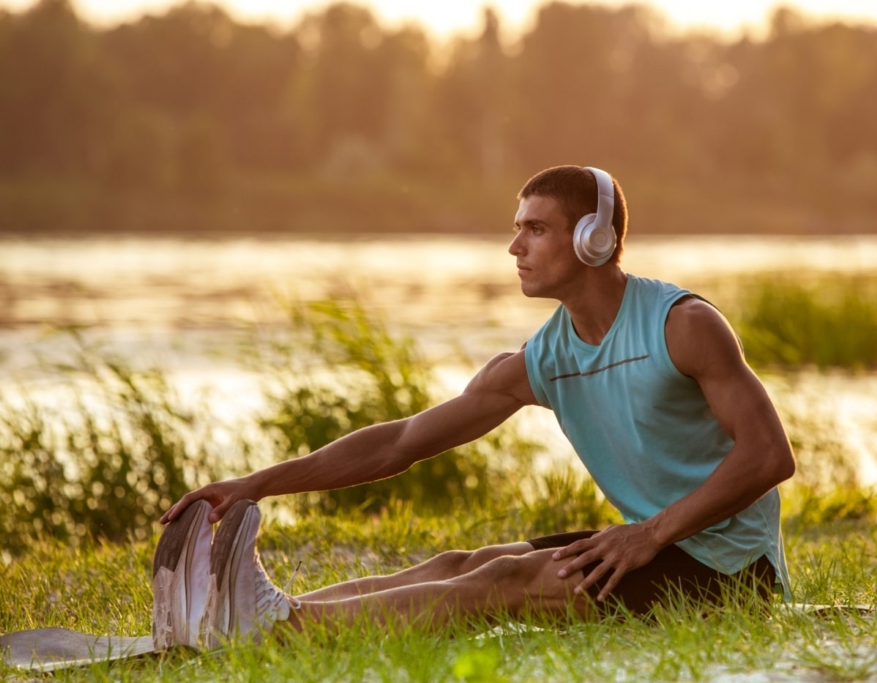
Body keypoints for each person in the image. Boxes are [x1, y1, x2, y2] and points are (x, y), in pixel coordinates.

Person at [152, 165, 795, 649]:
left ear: (596, 239)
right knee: (461, 565)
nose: (515, 247)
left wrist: (649, 533)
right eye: (517, 229)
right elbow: (400, 442)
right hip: (648, 549)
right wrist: (254, 486)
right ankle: (246, 614)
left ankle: (282, 630)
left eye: (536, 229)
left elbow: (769, 456)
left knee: (508, 582)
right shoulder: (543, 357)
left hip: (734, 574)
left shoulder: (682, 325)